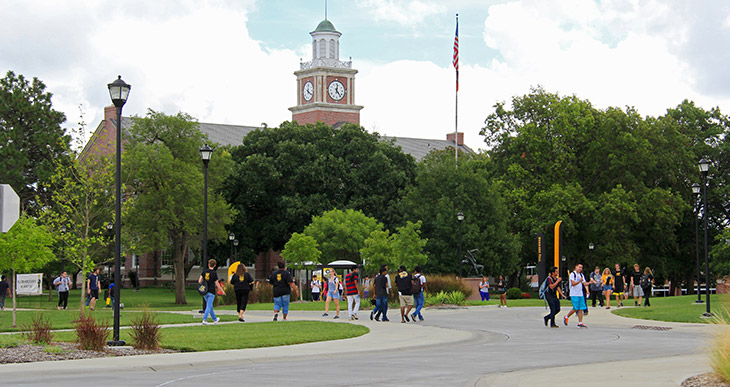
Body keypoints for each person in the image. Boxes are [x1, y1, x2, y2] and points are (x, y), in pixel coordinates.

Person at [563, 263, 594, 328]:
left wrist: (590, 283)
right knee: (576, 308)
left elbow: (584, 283)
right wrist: (579, 281)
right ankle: (567, 316)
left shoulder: (581, 275)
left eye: (581, 267)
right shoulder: (572, 274)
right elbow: (573, 283)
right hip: (574, 294)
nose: (580, 269)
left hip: (580, 294)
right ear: (576, 267)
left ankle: (580, 322)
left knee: (581, 308)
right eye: (579, 267)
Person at [199, 259, 225, 325]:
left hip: (205, 291)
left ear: (208, 264)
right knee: (209, 306)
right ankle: (204, 319)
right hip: (211, 291)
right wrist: (222, 291)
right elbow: (217, 284)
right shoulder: (214, 273)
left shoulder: (204, 272)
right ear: (215, 265)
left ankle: (215, 319)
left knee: (210, 306)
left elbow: (199, 281)